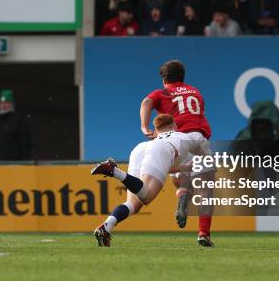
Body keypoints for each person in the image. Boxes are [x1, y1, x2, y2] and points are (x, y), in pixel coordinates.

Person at [91, 114, 211, 247]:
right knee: (146, 197)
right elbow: (204, 151)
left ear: (156, 130)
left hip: (140, 149)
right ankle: (114, 171)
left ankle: (105, 227)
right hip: (162, 149)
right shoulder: (186, 136)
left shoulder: (156, 139)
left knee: (133, 204)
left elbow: (162, 166)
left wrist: (182, 167)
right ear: (174, 126)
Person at [138, 60, 216, 246]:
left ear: (164, 79)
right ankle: (203, 233)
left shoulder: (162, 93)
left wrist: (144, 126)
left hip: (178, 138)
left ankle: (182, 194)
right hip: (199, 137)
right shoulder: (195, 91)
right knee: (206, 190)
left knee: (177, 172)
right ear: (183, 77)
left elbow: (147, 101)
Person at [0, 90, 31, 161]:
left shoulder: (19, 121)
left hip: (13, 165)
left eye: (6, 103)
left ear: (12, 104)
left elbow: (25, 144)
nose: (3, 105)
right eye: (1, 103)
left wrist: (24, 161)